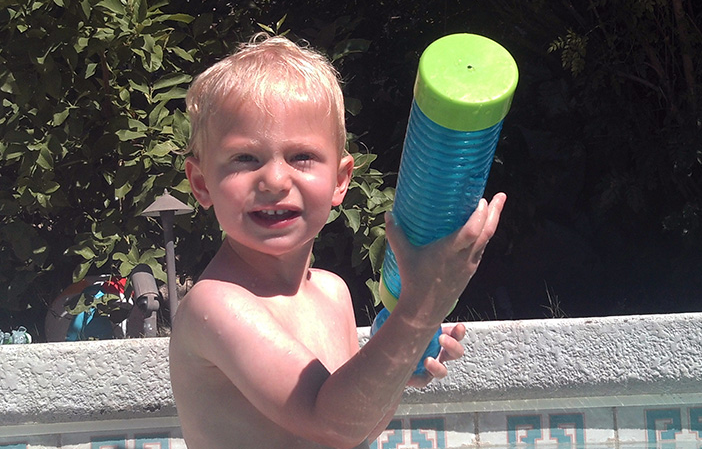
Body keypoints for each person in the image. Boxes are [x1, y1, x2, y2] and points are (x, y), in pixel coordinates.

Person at [168, 34, 506, 449]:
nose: (274, 180)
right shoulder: (217, 304)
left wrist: (402, 356)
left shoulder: (333, 293)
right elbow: (329, 421)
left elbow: (359, 426)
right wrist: (421, 308)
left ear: (341, 181)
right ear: (201, 183)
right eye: (245, 159)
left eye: (301, 157)